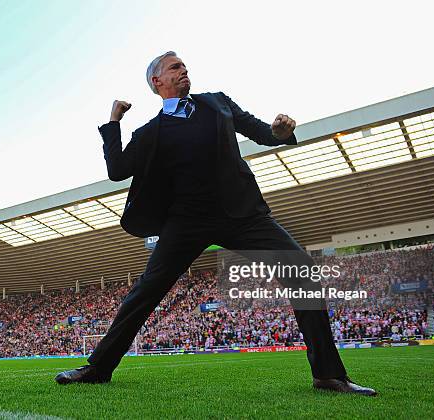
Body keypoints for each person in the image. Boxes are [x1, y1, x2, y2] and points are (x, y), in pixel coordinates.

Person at [55, 51, 376, 396]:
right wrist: (114, 121)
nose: (184, 71)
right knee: (144, 293)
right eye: (175, 67)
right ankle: (98, 368)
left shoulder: (217, 103)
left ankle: (328, 375)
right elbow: (117, 170)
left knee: (301, 270)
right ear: (157, 82)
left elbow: (260, 131)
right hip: (185, 222)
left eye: (185, 66)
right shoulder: (150, 132)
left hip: (241, 214)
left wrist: (279, 131)